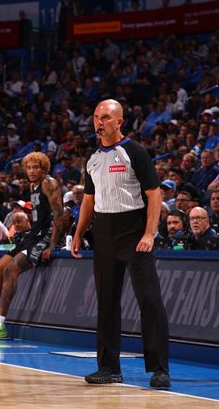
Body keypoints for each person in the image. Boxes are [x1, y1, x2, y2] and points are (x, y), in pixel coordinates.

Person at [71, 99, 170, 389]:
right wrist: (79, 232)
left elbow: (154, 194)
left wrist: (149, 233)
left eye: (105, 117)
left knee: (149, 300)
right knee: (107, 302)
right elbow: (88, 200)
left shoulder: (135, 152)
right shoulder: (92, 159)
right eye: (96, 117)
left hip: (134, 229)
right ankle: (108, 368)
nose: (99, 122)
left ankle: (159, 368)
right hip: (103, 230)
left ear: (119, 122)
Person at [0, 152, 65, 338]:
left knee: (11, 269)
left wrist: (52, 244)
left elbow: (60, 214)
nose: (32, 171)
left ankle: (0, 324)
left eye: (36, 167)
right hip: (31, 235)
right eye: (29, 167)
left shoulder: (48, 183)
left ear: (44, 169)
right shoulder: (33, 185)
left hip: (44, 238)